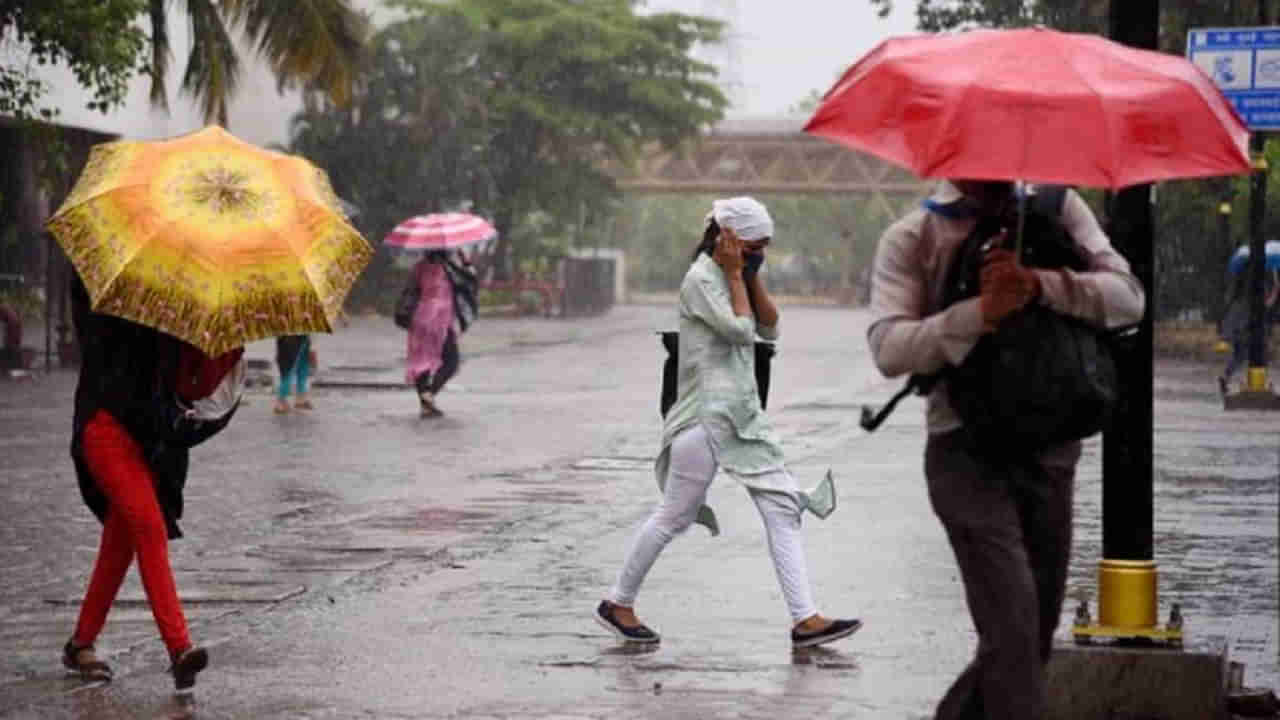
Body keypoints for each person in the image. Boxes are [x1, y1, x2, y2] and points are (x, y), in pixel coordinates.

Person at [867, 180, 1144, 719]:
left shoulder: (1059, 209)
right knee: (1014, 626)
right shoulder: (915, 236)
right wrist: (980, 313)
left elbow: (1129, 299)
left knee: (1029, 634)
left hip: (1050, 449)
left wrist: (1039, 285)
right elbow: (888, 348)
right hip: (962, 453)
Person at [595, 197, 860, 649]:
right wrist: (738, 275)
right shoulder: (700, 280)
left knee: (768, 510)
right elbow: (740, 331)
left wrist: (748, 276)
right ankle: (619, 603)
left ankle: (804, 619)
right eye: (756, 246)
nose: (762, 254)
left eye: (765, 247)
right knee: (681, 516)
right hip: (709, 419)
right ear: (728, 238)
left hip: (736, 417)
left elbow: (769, 328)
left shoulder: (736, 277)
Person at [64, 275, 245, 693]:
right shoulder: (105, 287)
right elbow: (98, 338)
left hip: (151, 442)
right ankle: (180, 649)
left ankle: (80, 643)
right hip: (104, 424)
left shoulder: (179, 296)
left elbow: (190, 383)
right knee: (147, 526)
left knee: (121, 542)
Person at [405, 249, 477, 417]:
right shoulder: (449, 268)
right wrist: (466, 261)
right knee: (451, 362)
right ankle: (428, 396)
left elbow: (412, 290)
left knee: (421, 361)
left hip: (420, 317)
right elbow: (471, 280)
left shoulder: (419, 267)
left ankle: (426, 405)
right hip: (440, 318)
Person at [1219, 268, 1278, 394]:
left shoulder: (1247, 301)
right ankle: (1255, 384)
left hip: (1238, 333)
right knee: (1258, 357)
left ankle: (1226, 377)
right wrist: (1276, 283)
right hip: (1248, 335)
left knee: (1238, 358)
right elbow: (1271, 300)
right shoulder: (1259, 304)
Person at [274, 334, 312, 414]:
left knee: (303, 368)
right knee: (289, 371)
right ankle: (281, 401)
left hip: (302, 337)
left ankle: (300, 398)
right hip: (291, 339)